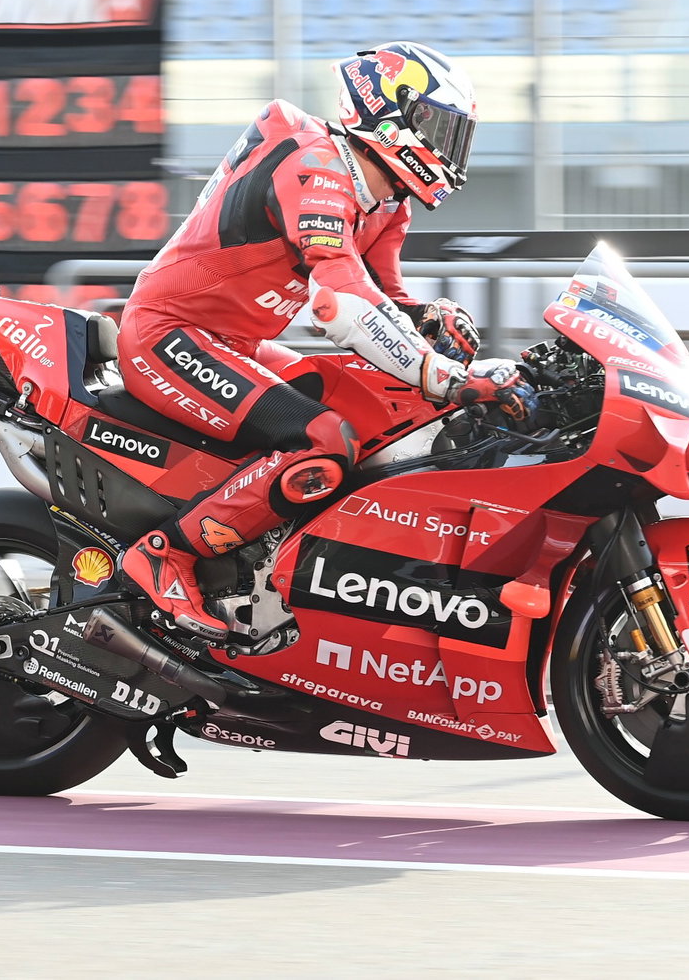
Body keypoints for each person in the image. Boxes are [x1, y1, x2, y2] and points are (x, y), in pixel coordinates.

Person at [114, 41, 527, 643]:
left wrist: (428, 318)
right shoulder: (318, 167)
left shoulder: (386, 200)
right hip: (167, 334)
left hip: (236, 344)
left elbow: (381, 294)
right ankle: (164, 555)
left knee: (382, 410)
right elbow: (340, 304)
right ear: (390, 111)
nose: (448, 147)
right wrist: (446, 376)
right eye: (439, 126)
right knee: (321, 439)